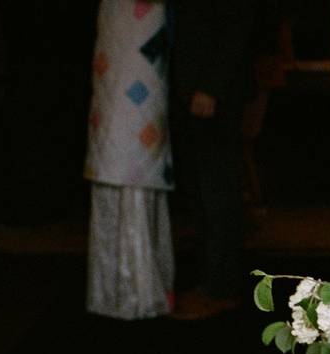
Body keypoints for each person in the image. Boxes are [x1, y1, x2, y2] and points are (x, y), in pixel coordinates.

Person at [85, 0, 174, 320]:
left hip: (142, 67)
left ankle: (139, 288)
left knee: (133, 165)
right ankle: (113, 289)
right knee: (115, 157)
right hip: (114, 61)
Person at [170, 1, 257, 320]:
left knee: (217, 191)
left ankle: (221, 288)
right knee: (201, 190)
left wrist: (211, 87)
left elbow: (237, 23)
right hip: (188, 88)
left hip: (214, 92)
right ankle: (211, 281)